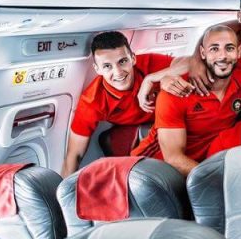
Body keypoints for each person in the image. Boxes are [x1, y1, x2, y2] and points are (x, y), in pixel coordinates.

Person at [60, 31, 188, 177]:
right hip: (151, 129)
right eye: (107, 66)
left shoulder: (147, 63)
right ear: (97, 69)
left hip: (179, 117)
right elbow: (74, 155)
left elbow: (192, 63)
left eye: (122, 61)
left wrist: (151, 79)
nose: (118, 72)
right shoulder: (92, 100)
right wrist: (61, 189)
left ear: (133, 59)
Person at [132, 25, 241, 175]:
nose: (222, 56)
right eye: (214, 49)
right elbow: (173, 159)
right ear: (203, 53)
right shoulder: (174, 92)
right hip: (153, 169)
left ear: (239, 52)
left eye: (229, 48)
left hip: (199, 167)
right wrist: (217, 179)